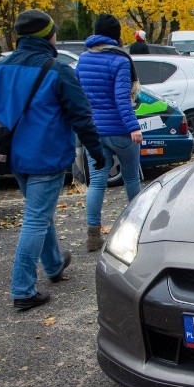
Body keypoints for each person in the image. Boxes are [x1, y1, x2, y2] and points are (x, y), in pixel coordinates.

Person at [0, 10, 105, 311]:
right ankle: (22, 289)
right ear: (49, 36)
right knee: (35, 218)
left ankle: (55, 264)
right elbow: (81, 117)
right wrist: (96, 152)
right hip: (46, 157)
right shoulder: (58, 70)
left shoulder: (0, 67)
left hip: (13, 157)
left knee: (38, 212)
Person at [75, 14, 143, 252]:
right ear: (115, 34)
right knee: (132, 177)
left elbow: (79, 96)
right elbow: (121, 98)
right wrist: (133, 126)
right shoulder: (120, 60)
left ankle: (93, 235)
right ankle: (136, 228)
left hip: (94, 132)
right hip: (120, 130)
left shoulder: (83, 59)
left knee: (97, 183)